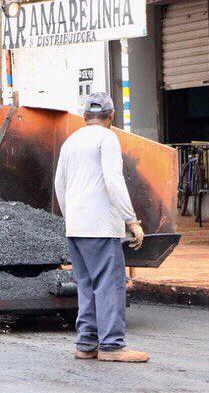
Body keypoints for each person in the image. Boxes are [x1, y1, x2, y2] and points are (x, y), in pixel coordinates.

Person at [54, 92, 148, 363]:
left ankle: (86, 344)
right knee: (109, 285)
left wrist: (70, 217)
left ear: (85, 116)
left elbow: (60, 185)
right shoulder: (108, 138)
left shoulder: (71, 141)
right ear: (111, 116)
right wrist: (131, 220)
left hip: (76, 227)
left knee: (87, 286)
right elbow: (114, 181)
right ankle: (112, 346)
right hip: (100, 227)